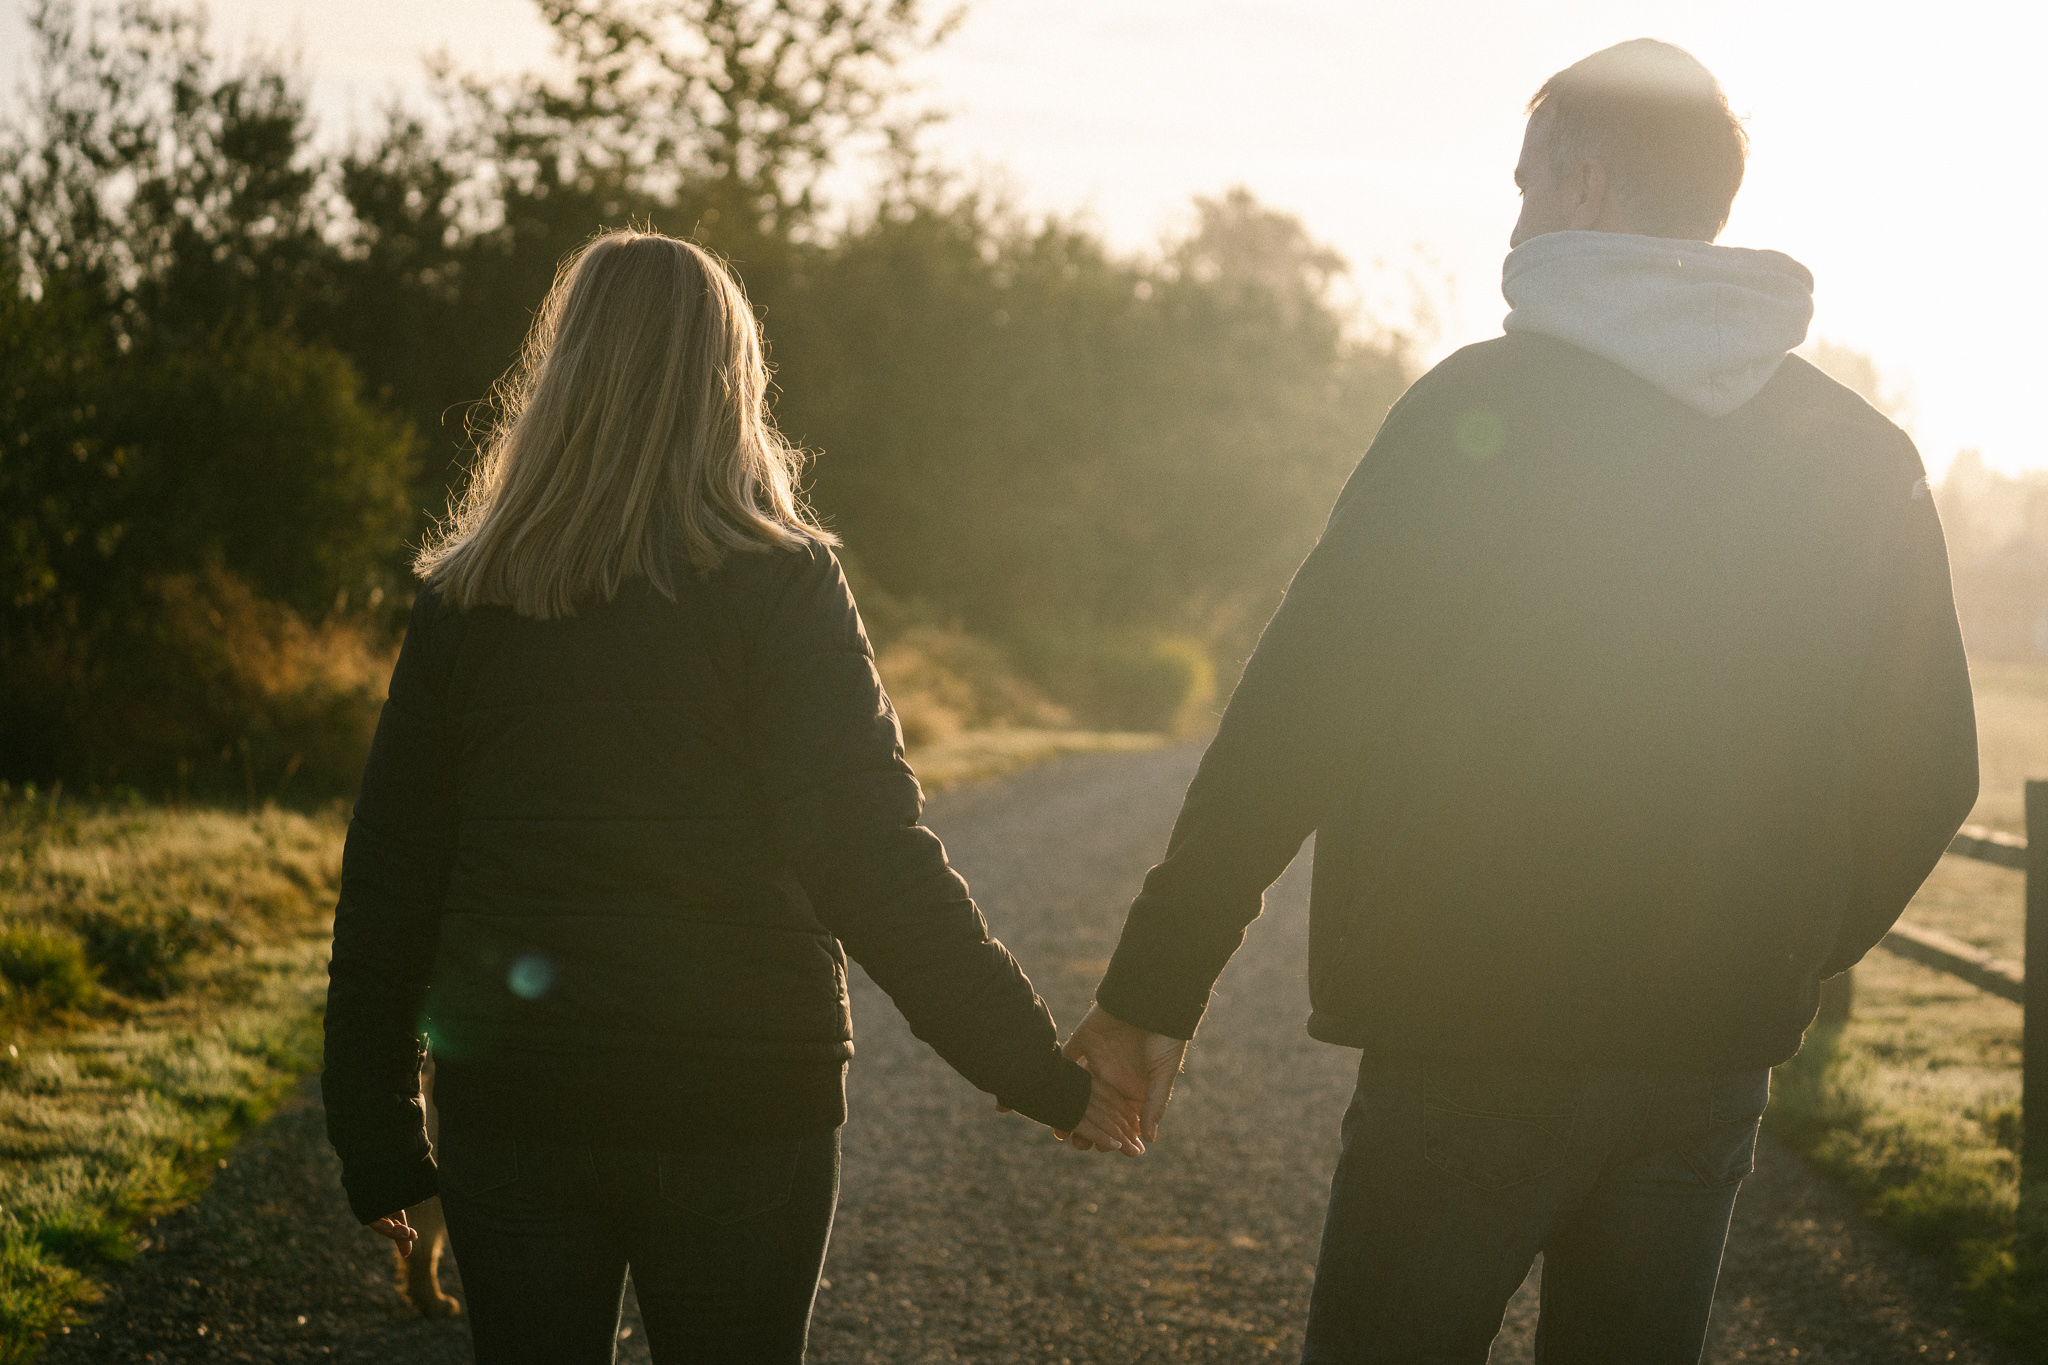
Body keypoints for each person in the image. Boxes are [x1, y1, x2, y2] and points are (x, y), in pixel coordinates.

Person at [1063, 38, 1979, 1364]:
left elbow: (1297, 720)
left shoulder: (1468, 414)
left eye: (1527, 186)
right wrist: (1775, 946)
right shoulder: (1858, 455)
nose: (1515, 221)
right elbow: (1927, 771)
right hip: (1702, 1061)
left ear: (1591, 186)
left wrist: (1156, 987)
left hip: (1467, 1043)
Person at [321, 229, 1138, 1365]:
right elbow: (871, 855)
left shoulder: (469, 607)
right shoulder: (779, 585)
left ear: (561, 379)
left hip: (518, 1106)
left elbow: (391, 880)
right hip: (743, 1103)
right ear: (729, 384)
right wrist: (1034, 1073)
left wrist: (374, 1129)